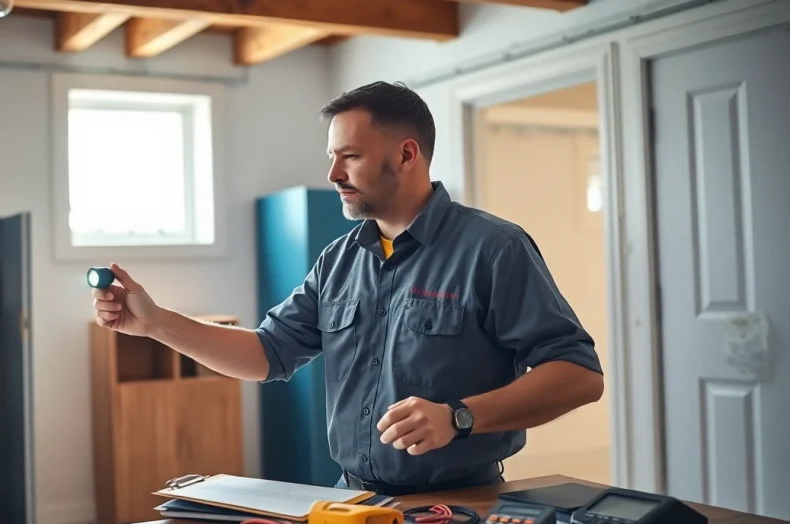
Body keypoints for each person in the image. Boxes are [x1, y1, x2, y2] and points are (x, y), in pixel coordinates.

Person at [91, 81, 604, 496]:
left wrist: (460, 417)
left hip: (459, 505)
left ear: (407, 154)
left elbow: (579, 374)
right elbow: (266, 354)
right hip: (350, 499)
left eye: (350, 157)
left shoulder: (494, 249)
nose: (333, 173)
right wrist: (156, 323)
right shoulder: (339, 259)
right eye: (333, 156)